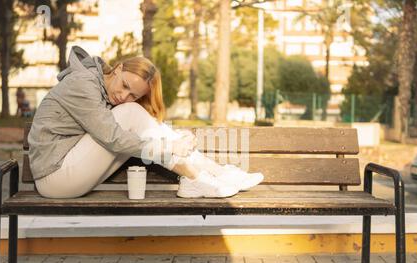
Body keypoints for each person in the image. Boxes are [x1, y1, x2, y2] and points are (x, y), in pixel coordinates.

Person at [28, 46, 263, 199]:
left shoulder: (103, 88)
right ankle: (196, 177)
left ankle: (214, 173)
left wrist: (176, 139)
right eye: (125, 86)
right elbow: (113, 138)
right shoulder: (83, 85)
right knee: (129, 112)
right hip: (55, 177)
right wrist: (170, 146)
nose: (123, 96)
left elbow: (141, 129)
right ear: (118, 68)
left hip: (72, 170)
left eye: (134, 95)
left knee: (132, 113)